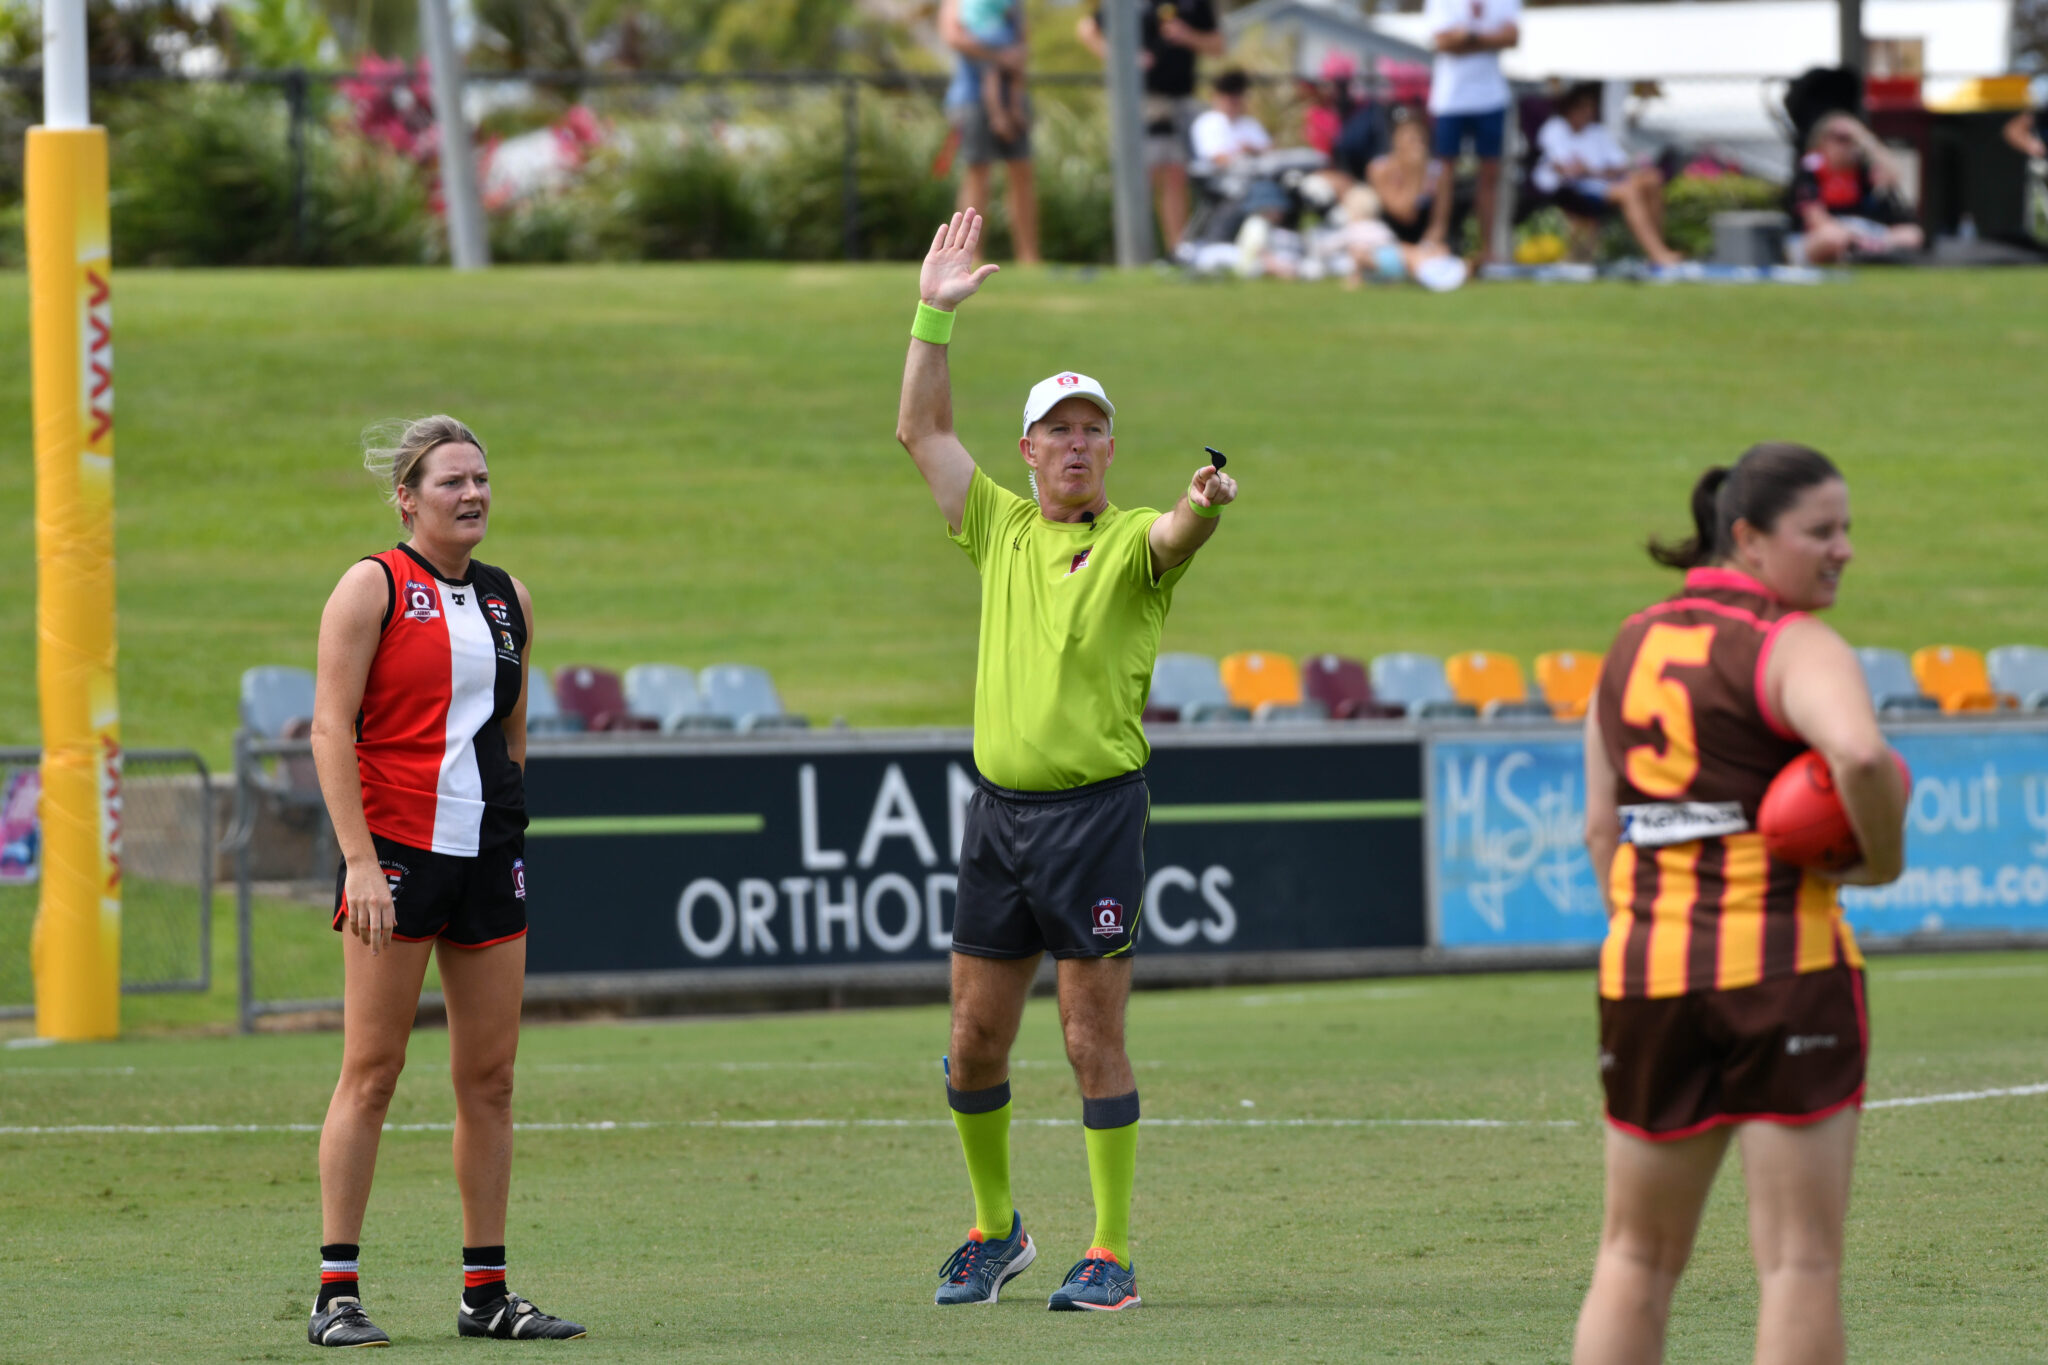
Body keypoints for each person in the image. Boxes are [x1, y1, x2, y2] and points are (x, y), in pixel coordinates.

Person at [895, 209, 1237, 1312]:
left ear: (1107, 452)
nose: (1078, 443)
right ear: (1028, 447)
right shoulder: (995, 525)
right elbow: (919, 433)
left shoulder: (1133, 537)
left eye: (1094, 430)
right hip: (999, 817)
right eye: (1060, 429)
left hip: (1093, 815)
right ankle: (996, 1230)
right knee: (971, 1041)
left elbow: (1174, 536)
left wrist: (1200, 505)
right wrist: (931, 314)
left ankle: (1112, 1249)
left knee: (1092, 1039)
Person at [1571, 443, 1907, 1365]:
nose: (1842, 550)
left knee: (1634, 1256)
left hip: (1647, 972)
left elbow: (1602, 826)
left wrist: (1646, 924)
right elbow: (1864, 759)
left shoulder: (1630, 642)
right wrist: (1880, 861)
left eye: (1847, 530)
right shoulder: (1789, 640)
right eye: (1822, 531)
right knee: (1798, 1263)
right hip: (1783, 972)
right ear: (1752, 538)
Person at [306, 416, 584, 1348]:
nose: (472, 495)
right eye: (450, 481)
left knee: (491, 1078)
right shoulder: (371, 586)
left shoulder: (511, 599)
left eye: (482, 478)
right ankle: (335, 1291)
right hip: (392, 850)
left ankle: (486, 1293)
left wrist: (507, 821)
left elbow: (510, 735)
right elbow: (329, 730)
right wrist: (357, 863)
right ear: (406, 497)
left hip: (486, 854)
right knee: (373, 1070)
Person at [1078, 0, 1226, 253]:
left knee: (1175, 176)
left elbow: (1218, 46)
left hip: (1180, 103)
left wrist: (1187, 35)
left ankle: (1178, 252)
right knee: (1140, 177)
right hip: (1140, 104)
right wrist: (1122, 59)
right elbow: (1086, 29)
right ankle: (1132, 251)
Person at [1534, 81, 1682, 266]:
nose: (1587, 112)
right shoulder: (1555, 128)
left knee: (1652, 178)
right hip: (1573, 190)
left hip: (1604, 183)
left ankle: (1657, 247)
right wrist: (1596, 172)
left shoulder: (1597, 131)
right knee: (1627, 192)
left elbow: (1620, 165)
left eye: (1590, 107)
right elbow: (1567, 170)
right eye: (1582, 107)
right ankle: (1657, 254)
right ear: (1570, 107)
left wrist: (1593, 171)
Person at [941, 0, 1040, 265]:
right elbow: (953, 36)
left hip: (1012, 97)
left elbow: (1023, 40)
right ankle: (967, 256)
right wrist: (997, 56)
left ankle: (1029, 257)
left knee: (1022, 172)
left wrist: (1014, 59)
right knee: (977, 174)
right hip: (971, 99)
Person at [1422, 0, 1520, 261]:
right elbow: (1441, 42)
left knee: (1489, 173)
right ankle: (1437, 237)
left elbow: (1512, 37)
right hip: (1450, 98)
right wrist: (1489, 39)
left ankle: (1488, 248)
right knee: (1444, 170)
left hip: (1491, 98)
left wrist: (1468, 37)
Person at [1788, 112, 1924, 265]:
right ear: (1823, 140)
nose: (1846, 145)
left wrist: (1866, 138)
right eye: (1840, 139)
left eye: (1851, 139)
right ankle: (1858, 254)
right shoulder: (1811, 168)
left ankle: (1862, 255)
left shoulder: (1859, 168)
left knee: (1911, 235)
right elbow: (1815, 218)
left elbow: (1893, 175)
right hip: (1820, 234)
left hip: (1859, 229)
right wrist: (1849, 235)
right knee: (1832, 237)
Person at [1368, 106, 1447, 244]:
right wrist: (1415, 175)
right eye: (1410, 137)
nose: (1417, 143)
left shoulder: (1437, 172)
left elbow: (1439, 223)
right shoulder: (1379, 169)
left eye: (1420, 137)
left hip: (1423, 243)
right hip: (1387, 240)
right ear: (1395, 139)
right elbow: (1406, 215)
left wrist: (1429, 246)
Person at [1189, 68, 1271, 167]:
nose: (1234, 101)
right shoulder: (1206, 123)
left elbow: (1270, 150)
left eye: (1237, 95)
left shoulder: (1250, 122)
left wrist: (1253, 151)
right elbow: (1216, 158)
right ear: (1216, 96)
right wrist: (1242, 154)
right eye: (1229, 96)